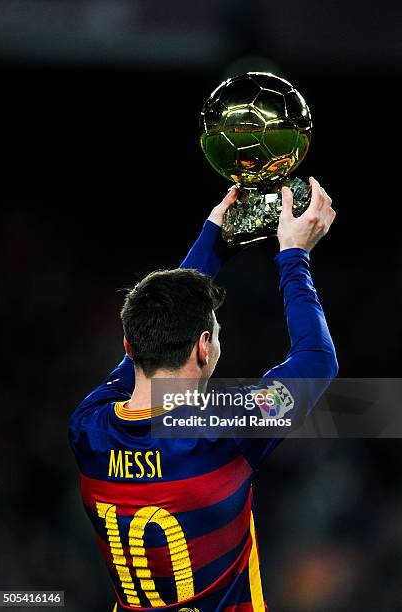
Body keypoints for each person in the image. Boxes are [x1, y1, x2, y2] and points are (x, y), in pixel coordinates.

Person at [69, 178, 338, 611]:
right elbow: (317, 359)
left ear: (127, 346)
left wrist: (214, 237)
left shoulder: (88, 427)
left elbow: (148, 335)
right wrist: (294, 257)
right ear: (204, 347)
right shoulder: (224, 427)